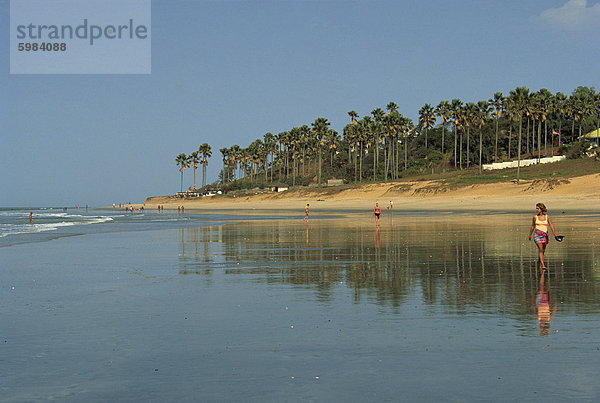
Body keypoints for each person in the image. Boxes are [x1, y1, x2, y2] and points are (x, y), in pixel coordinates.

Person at [528, 202, 557, 270]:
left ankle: (539, 262)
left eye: (538, 208)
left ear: (541, 209)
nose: (537, 210)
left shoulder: (547, 217)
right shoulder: (535, 217)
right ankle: (543, 265)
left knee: (543, 250)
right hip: (537, 235)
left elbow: (551, 225)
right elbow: (532, 226)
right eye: (536, 208)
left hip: (545, 235)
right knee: (540, 249)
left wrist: (554, 233)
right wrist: (530, 235)